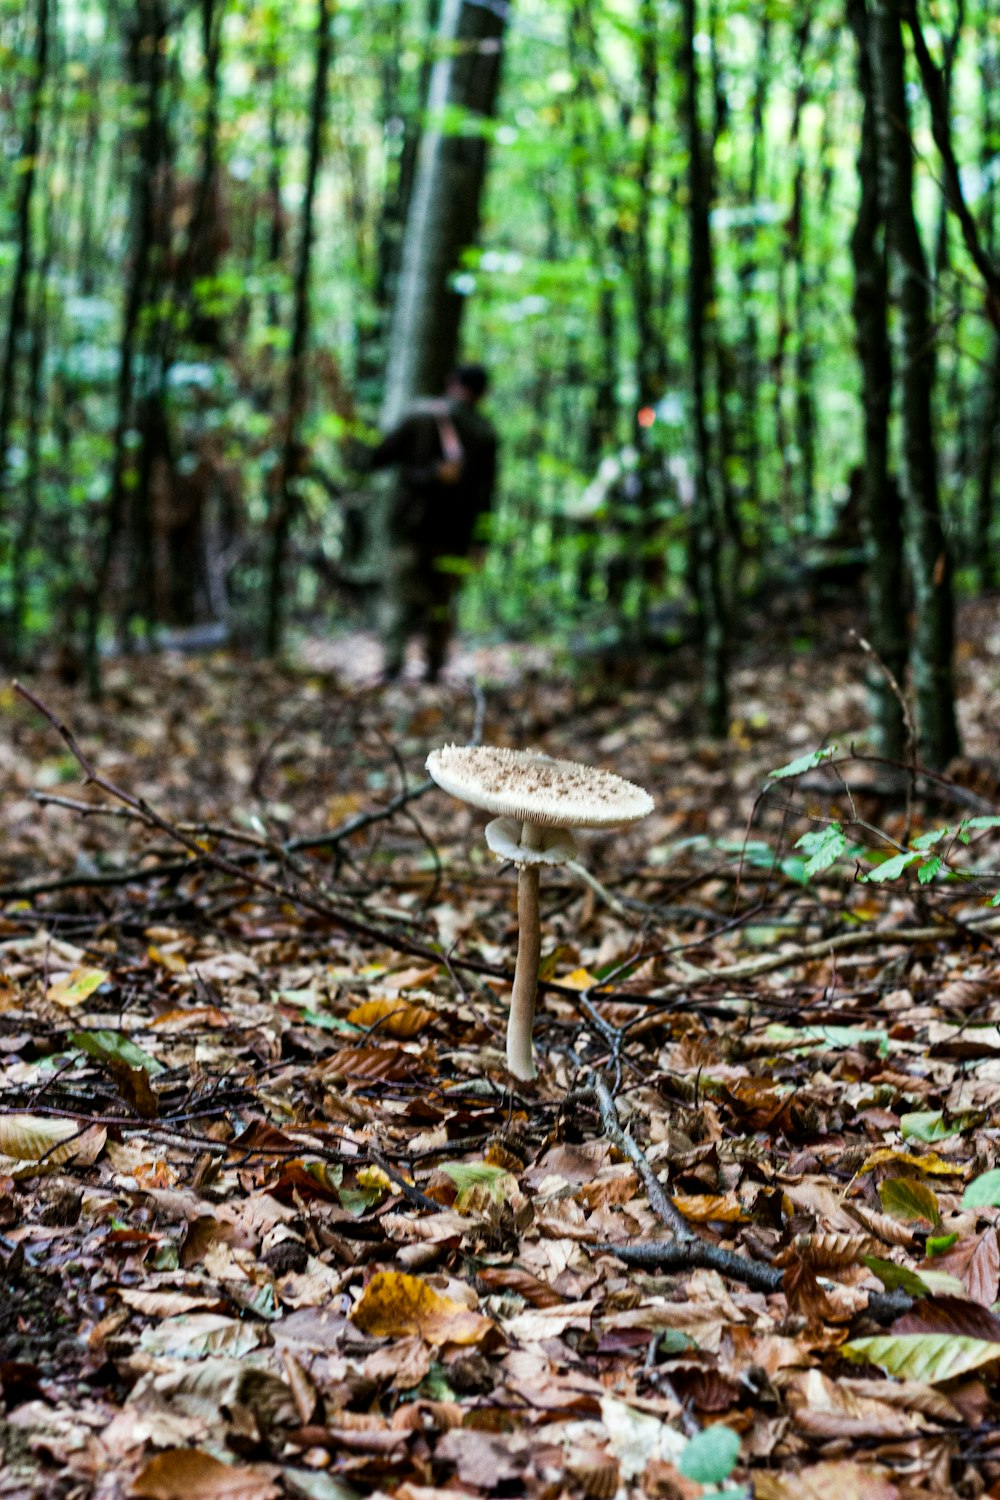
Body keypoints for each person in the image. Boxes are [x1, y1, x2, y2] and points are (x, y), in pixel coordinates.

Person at [354, 364, 498, 681]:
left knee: (400, 595)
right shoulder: (484, 431)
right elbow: (487, 493)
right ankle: (433, 667)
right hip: (456, 533)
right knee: (441, 602)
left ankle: (393, 665)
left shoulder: (419, 414)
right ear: (483, 393)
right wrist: (481, 541)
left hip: (410, 527)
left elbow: (376, 458)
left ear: (451, 382)